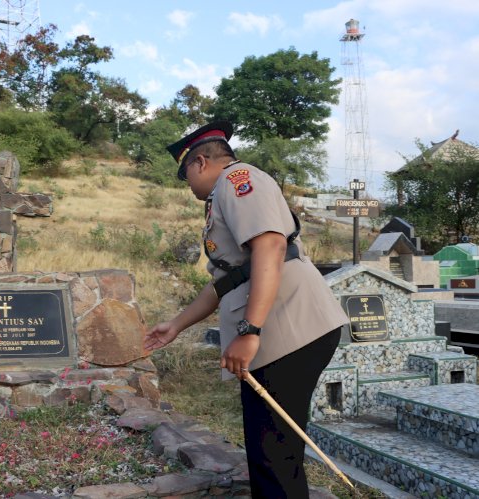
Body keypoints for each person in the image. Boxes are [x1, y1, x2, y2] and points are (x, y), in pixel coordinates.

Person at [145, 122, 348, 498]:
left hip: (288, 326)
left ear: (201, 162)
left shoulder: (239, 180)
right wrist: (176, 324)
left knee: (274, 454)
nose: (185, 183)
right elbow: (227, 280)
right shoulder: (224, 193)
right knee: (269, 448)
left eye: (184, 173)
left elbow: (270, 246)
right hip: (279, 328)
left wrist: (250, 331)